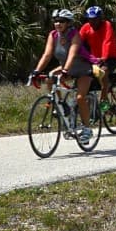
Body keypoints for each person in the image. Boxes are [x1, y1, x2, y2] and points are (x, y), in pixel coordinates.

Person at [32, 8, 95, 142]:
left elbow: (72, 53)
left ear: (68, 23)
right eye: (56, 21)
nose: (58, 24)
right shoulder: (53, 35)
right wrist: (36, 71)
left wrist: (65, 70)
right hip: (67, 68)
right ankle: (61, 105)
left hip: (83, 69)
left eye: (61, 21)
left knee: (80, 97)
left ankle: (87, 129)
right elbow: (47, 54)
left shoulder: (74, 34)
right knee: (49, 78)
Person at [80, 5, 116, 96]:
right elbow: (78, 42)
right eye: (90, 19)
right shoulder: (86, 27)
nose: (92, 21)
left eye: (95, 19)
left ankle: (104, 101)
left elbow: (107, 42)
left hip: (111, 58)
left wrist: (104, 57)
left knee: (103, 72)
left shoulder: (106, 25)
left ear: (100, 18)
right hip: (95, 59)